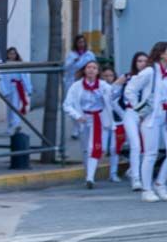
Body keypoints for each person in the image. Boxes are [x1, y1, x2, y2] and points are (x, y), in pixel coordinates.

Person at [123, 41, 167, 202]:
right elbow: (130, 89)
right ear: (162, 53)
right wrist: (138, 109)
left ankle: (160, 184)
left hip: (165, 115)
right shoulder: (150, 71)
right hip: (152, 117)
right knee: (151, 154)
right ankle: (146, 189)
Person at [63, 60, 116, 189]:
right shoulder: (76, 86)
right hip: (83, 118)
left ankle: (90, 178)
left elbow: (114, 94)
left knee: (95, 148)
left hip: (99, 119)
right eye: (89, 67)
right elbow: (67, 105)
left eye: (94, 68)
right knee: (86, 149)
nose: (91, 70)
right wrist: (77, 116)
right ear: (84, 70)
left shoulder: (103, 86)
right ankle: (89, 173)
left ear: (98, 72)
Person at [119, 52, 150, 191]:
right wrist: (117, 83)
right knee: (135, 145)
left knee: (148, 148)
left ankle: (134, 171)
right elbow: (111, 94)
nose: (142, 63)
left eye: (145, 61)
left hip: (146, 115)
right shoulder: (128, 77)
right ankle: (136, 179)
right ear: (134, 63)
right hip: (131, 113)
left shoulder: (151, 77)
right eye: (139, 61)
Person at [0, 47, 34, 136]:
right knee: (9, 109)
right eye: (10, 53)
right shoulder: (4, 65)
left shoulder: (19, 64)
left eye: (14, 53)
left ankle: (16, 125)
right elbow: (2, 78)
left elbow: (24, 77)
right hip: (9, 88)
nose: (12, 55)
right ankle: (10, 126)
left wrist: (28, 89)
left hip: (17, 89)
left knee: (15, 107)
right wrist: (4, 91)